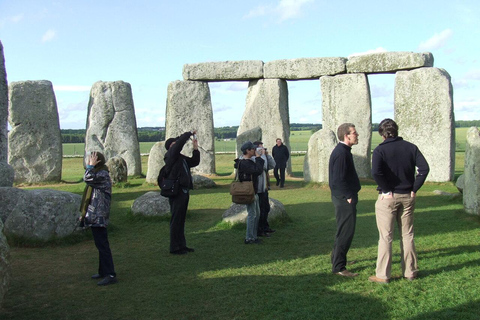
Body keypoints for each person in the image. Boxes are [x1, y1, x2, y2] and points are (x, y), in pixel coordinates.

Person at [369, 119, 429, 284]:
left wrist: (386, 189)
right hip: (407, 196)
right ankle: (410, 271)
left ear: (382, 134)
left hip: (388, 198)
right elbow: (424, 169)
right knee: (407, 234)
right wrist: (414, 188)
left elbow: (376, 172)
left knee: (386, 237)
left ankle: (383, 275)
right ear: (396, 130)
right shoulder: (411, 147)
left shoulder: (380, 150)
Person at [328, 123, 361, 277]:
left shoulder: (344, 151)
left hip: (342, 196)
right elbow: (338, 179)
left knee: (343, 230)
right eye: (354, 133)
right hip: (343, 198)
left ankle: (337, 259)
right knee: (346, 232)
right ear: (346, 136)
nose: (357, 135)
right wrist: (348, 196)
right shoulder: (341, 153)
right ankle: (339, 267)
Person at [80, 151, 117, 286]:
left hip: (99, 216)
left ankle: (110, 274)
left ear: (97, 161)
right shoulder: (99, 174)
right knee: (100, 245)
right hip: (95, 215)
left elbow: (87, 178)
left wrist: (90, 166)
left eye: (91, 159)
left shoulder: (102, 175)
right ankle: (103, 271)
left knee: (103, 246)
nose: (88, 161)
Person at [164, 130, 200, 254]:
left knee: (181, 219)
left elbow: (194, 162)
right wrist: (188, 133)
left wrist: (195, 149)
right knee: (176, 220)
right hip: (176, 191)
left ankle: (181, 245)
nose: (177, 144)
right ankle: (174, 247)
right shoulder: (170, 156)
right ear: (170, 147)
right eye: (174, 144)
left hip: (183, 191)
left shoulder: (180, 158)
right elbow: (178, 144)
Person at [234, 141, 265, 244]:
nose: (254, 150)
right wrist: (259, 158)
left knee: (256, 213)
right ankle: (249, 238)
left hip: (252, 190)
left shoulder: (246, 161)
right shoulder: (244, 163)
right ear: (247, 150)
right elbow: (258, 171)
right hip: (248, 191)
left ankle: (253, 236)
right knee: (252, 214)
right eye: (252, 149)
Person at [253, 141, 276, 237]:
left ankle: (265, 226)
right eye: (260, 148)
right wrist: (261, 155)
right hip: (258, 188)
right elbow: (263, 166)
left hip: (264, 187)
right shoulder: (254, 158)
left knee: (266, 208)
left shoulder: (263, 156)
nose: (262, 150)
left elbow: (272, 165)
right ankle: (260, 230)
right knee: (261, 209)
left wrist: (267, 155)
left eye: (263, 148)